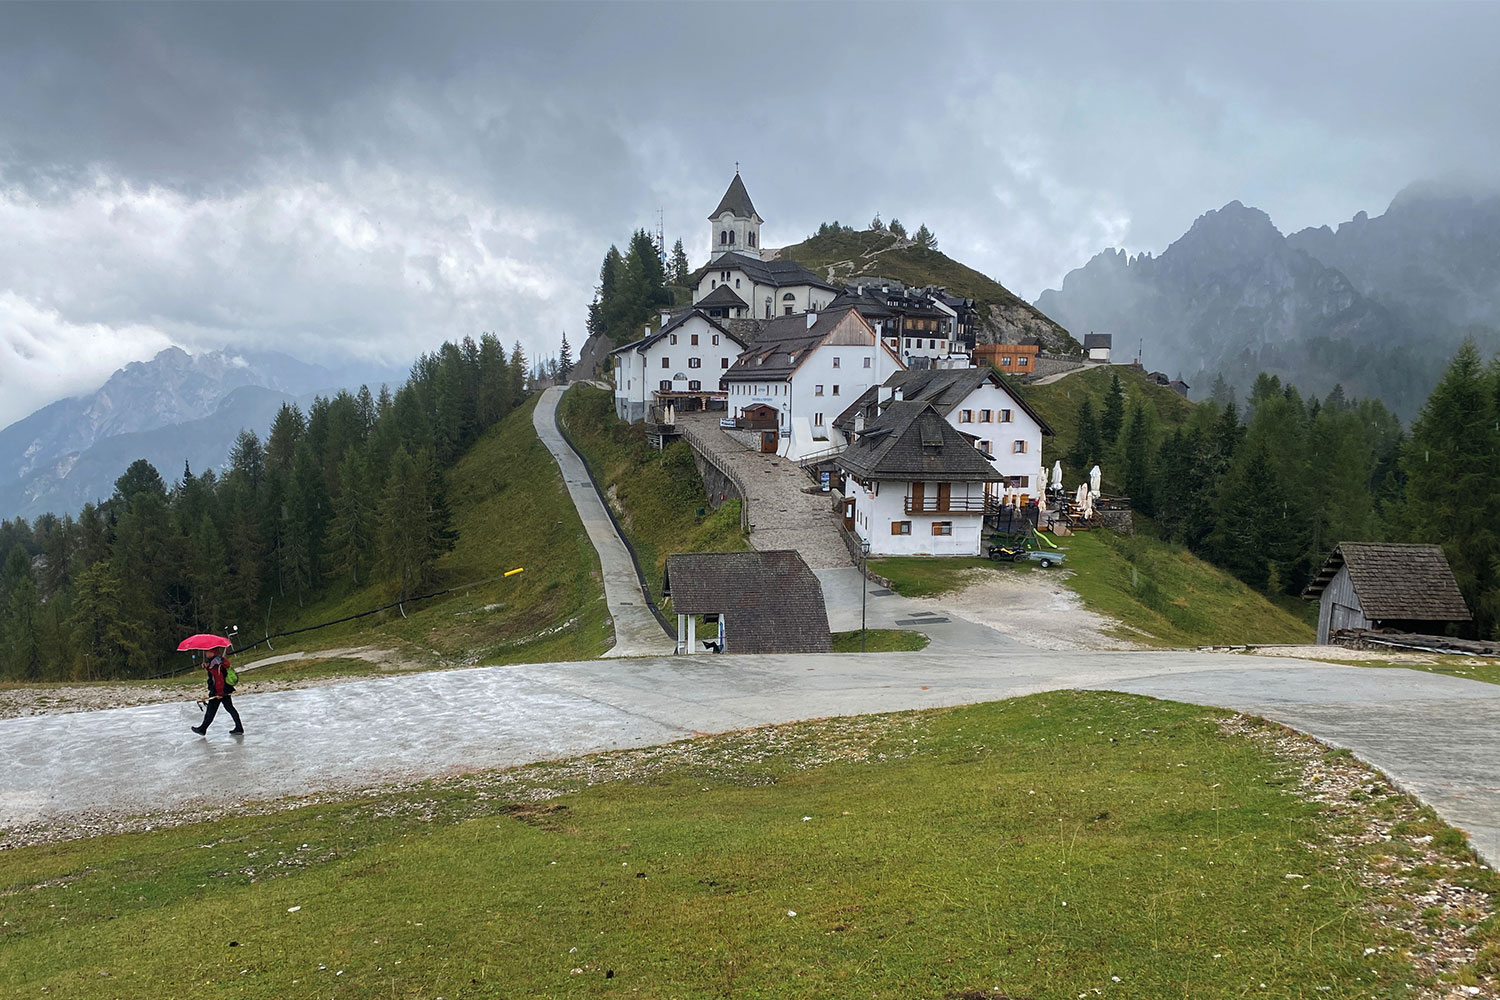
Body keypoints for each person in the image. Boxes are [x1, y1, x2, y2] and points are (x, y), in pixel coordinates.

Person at [192, 646, 244, 735]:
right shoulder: (219, 660)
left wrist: (219, 693)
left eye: (207, 651)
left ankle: (202, 729)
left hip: (218, 691)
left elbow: (218, 679)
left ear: (213, 652)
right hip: (225, 689)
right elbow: (216, 674)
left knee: (211, 711)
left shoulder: (215, 664)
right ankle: (239, 727)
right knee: (229, 708)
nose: (206, 653)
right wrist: (207, 667)